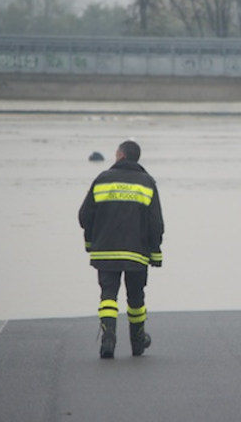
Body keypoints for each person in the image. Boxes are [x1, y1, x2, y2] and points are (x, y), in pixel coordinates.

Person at [79, 140, 164, 359]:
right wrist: (155, 252)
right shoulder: (147, 182)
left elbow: (84, 216)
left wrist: (91, 242)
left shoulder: (102, 179)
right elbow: (156, 222)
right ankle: (137, 342)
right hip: (137, 252)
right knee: (136, 297)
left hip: (105, 250)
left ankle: (108, 339)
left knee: (108, 295)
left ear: (120, 155)